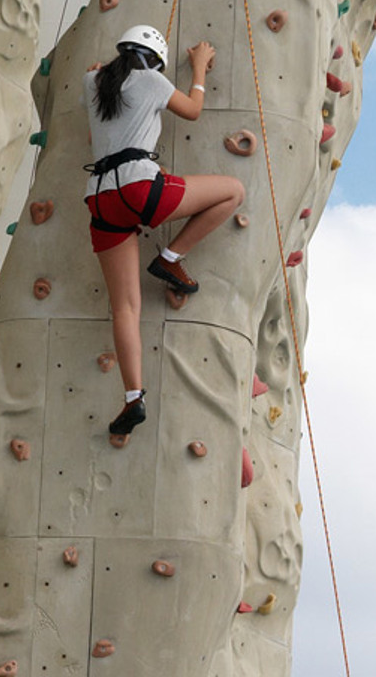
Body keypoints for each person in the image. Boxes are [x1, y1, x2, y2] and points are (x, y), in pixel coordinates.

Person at [83, 24, 245, 444]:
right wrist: (199, 67)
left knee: (125, 308)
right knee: (233, 191)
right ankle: (170, 258)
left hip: (101, 199)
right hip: (140, 187)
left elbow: (97, 109)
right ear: (154, 61)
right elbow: (192, 110)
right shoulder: (152, 80)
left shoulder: (92, 82)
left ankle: (133, 397)